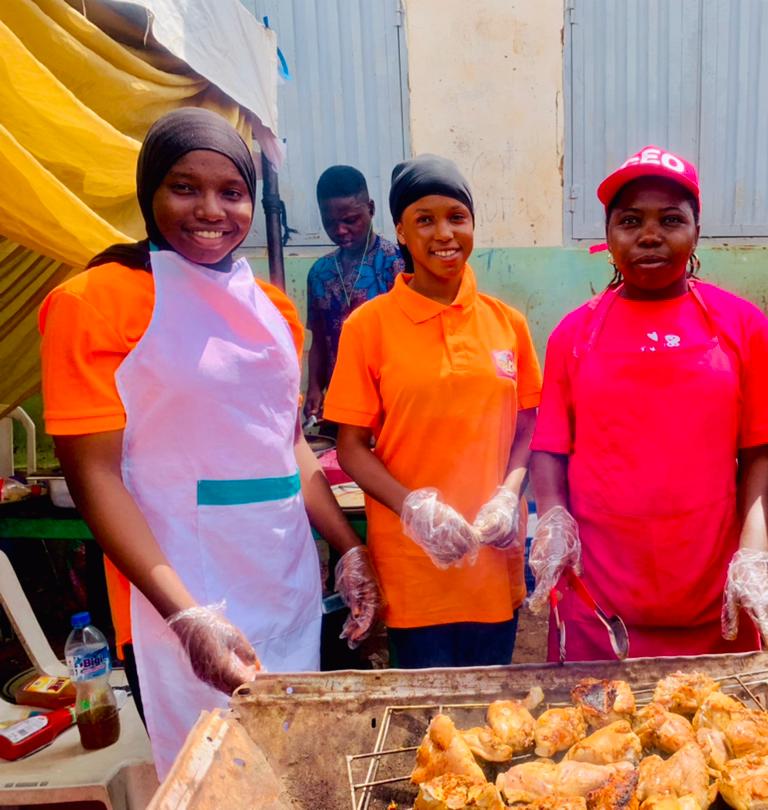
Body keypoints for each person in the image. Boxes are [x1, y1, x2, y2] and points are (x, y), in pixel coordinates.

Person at [38, 108, 379, 776]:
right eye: (184, 187)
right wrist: (187, 616)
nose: (210, 210)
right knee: (212, 774)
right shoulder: (94, 303)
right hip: (186, 591)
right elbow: (95, 479)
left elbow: (287, 446)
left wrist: (348, 547)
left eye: (231, 191)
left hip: (284, 581)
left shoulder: (274, 308)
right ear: (149, 193)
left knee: (286, 761)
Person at [528, 145, 768, 661]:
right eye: (630, 221)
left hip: (714, 597)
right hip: (596, 602)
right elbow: (549, 447)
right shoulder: (573, 333)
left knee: (718, 734)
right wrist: (553, 519)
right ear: (607, 236)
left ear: (697, 230)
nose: (649, 235)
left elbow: (764, 450)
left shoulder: (743, 326)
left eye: (670, 220)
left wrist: (754, 554)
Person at [324, 154, 542, 668]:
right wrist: (414, 510)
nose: (444, 233)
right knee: (430, 723)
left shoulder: (506, 324)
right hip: (413, 565)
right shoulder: (368, 327)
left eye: (456, 217)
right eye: (424, 219)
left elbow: (529, 422)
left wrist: (510, 494)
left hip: (492, 560)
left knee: (492, 712)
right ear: (399, 230)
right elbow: (350, 448)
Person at [304, 165, 404, 420]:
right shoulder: (319, 273)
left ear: (370, 209)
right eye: (330, 222)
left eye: (350, 220)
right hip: (341, 402)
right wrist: (314, 387)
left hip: (389, 400)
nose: (340, 231)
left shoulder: (397, 265)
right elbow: (319, 340)